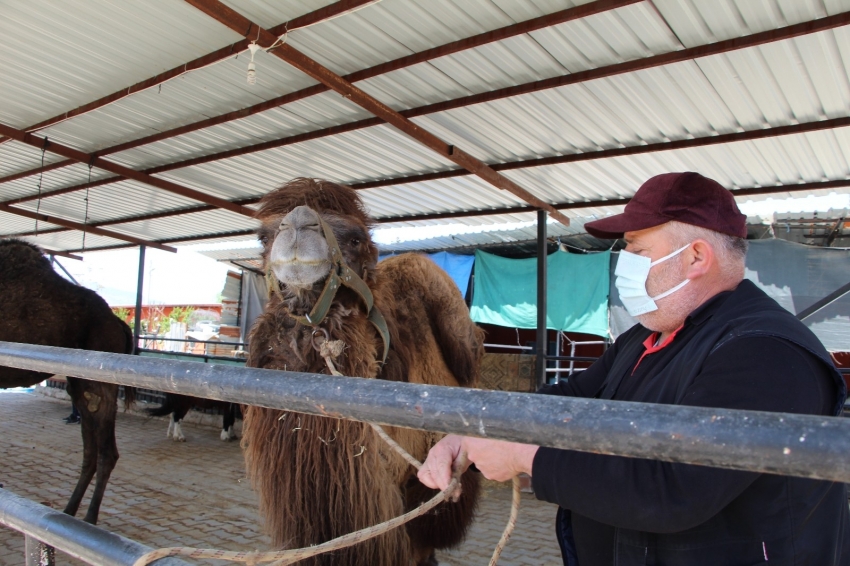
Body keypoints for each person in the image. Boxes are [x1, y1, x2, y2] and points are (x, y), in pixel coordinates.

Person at [418, 172, 850, 565]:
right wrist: (476, 429)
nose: (624, 263)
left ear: (696, 257)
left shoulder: (764, 353)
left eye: (637, 249)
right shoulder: (647, 337)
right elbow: (574, 400)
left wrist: (524, 457)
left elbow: (674, 490)